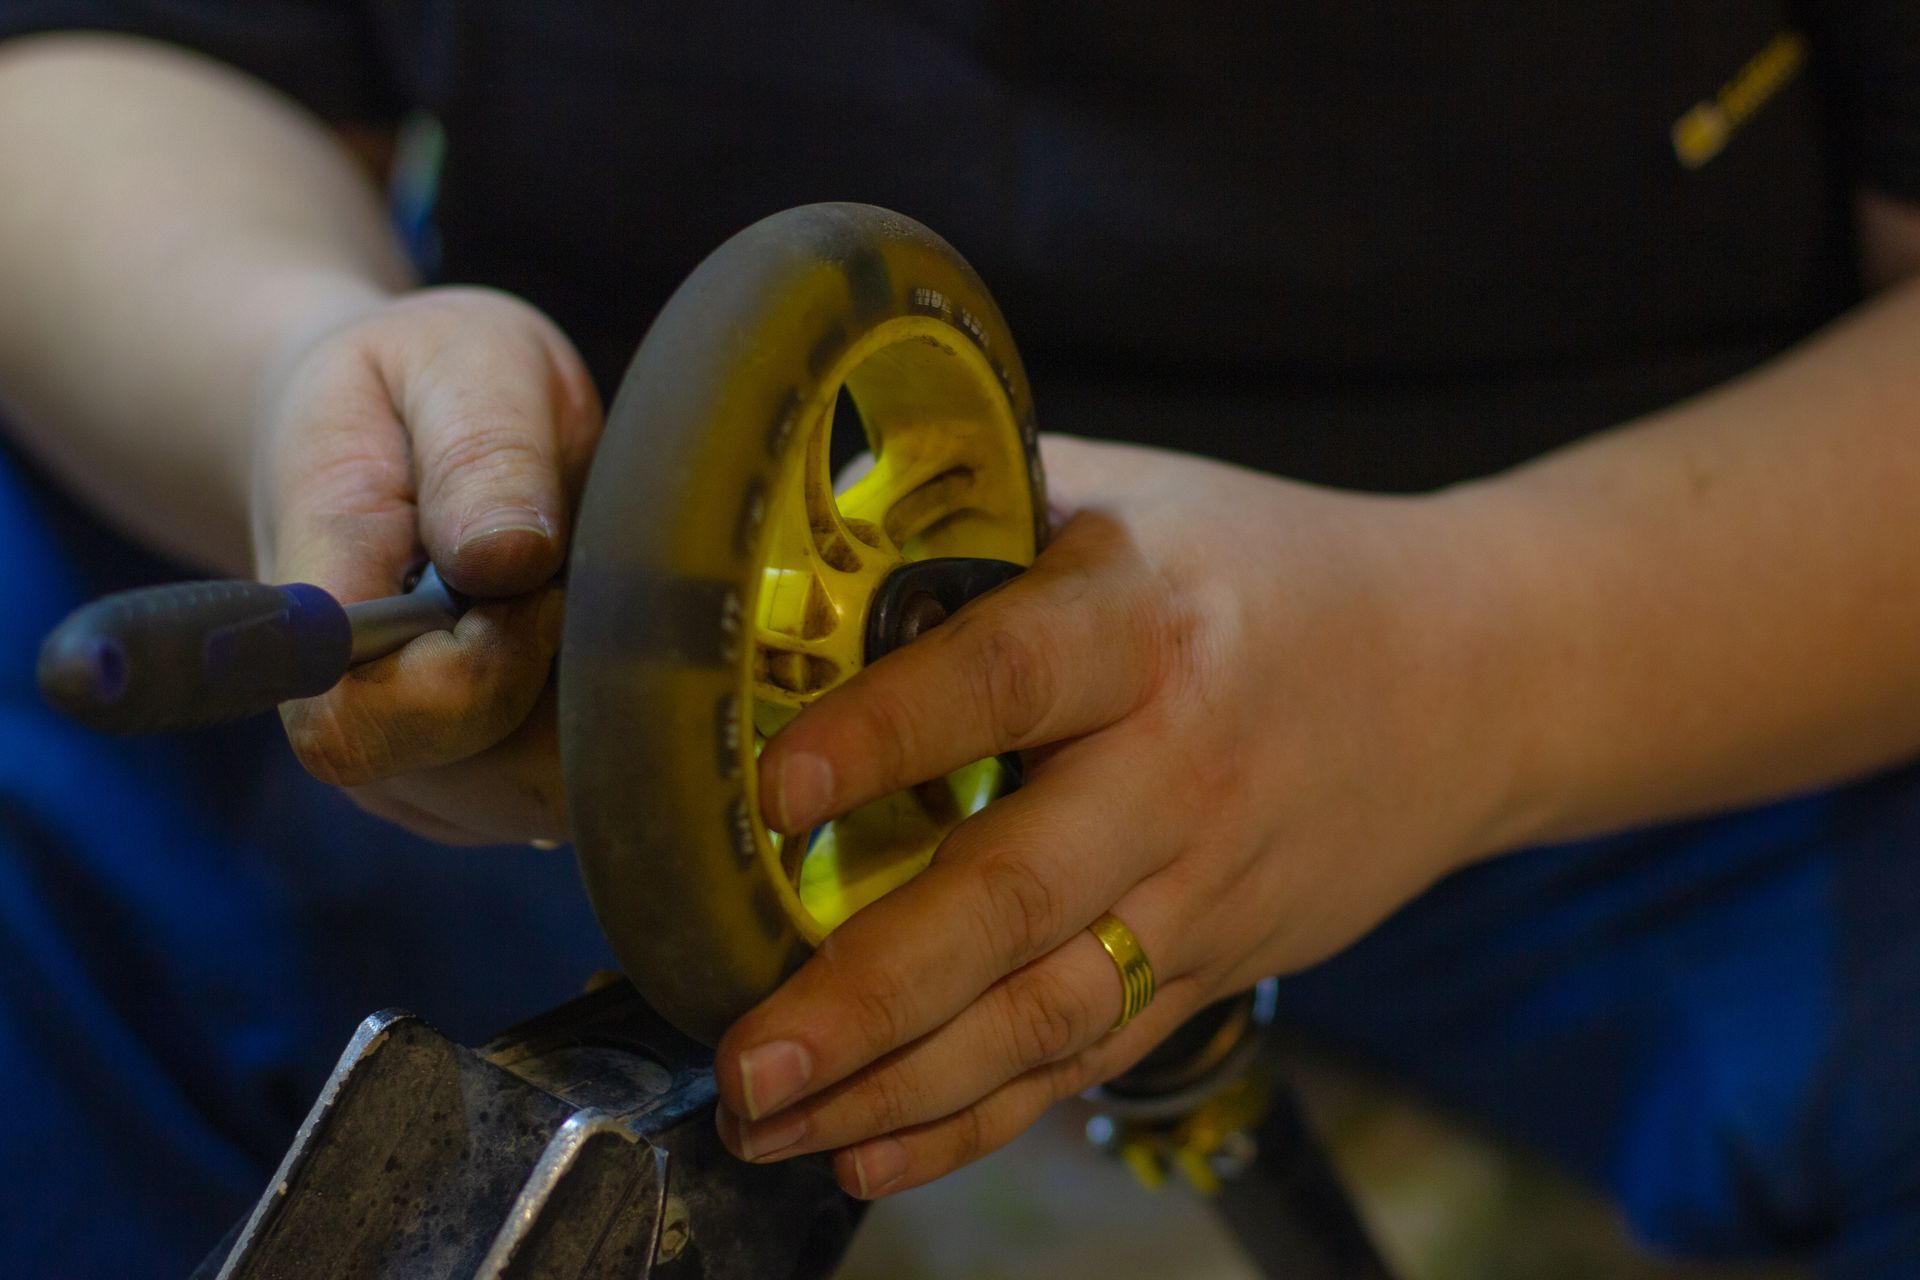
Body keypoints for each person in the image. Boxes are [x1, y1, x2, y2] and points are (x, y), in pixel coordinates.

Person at [2, 4, 1918, 1276]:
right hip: (609, 674)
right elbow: (110, 61)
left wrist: (1480, 666)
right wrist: (300, 382)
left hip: (1632, 633)